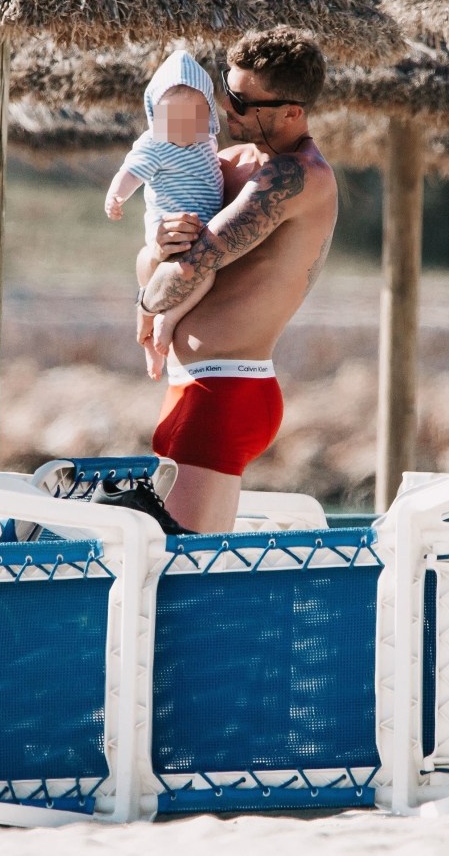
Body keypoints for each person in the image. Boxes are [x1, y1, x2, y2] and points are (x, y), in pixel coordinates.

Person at [136, 27, 337, 535]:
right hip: (199, 386)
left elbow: (189, 271)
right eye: (227, 92)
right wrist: (158, 244)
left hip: (227, 388)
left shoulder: (295, 177)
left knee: (183, 582)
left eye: (244, 102)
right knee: (167, 577)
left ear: (293, 112)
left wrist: (147, 300)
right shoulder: (225, 164)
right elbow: (157, 257)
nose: (227, 109)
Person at [104, 50, 224, 380]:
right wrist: (116, 195)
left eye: (194, 118)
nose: (184, 129)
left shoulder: (208, 142)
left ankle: (159, 331)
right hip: (170, 231)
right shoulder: (155, 144)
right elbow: (131, 171)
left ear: (209, 116)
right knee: (197, 273)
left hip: (201, 231)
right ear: (156, 118)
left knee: (202, 275)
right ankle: (166, 321)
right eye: (175, 120)